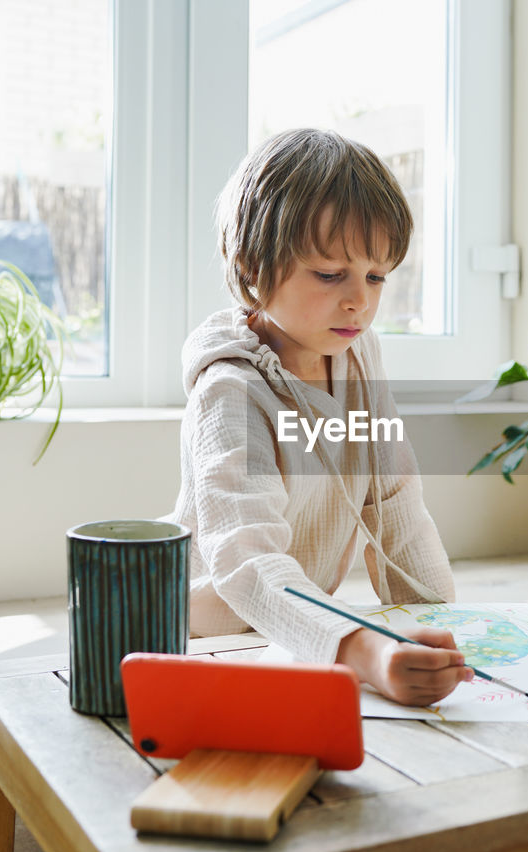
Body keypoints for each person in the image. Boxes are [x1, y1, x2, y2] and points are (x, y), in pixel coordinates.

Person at [168, 128, 471, 707]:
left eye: (376, 276)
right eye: (331, 274)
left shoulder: (357, 354)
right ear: (254, 265)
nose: (360, 300)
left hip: (309, 628)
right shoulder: (231, 391)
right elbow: (247, 562)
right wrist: (364, 648)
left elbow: (395, 503)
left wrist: (447, 629)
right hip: (219, 637)